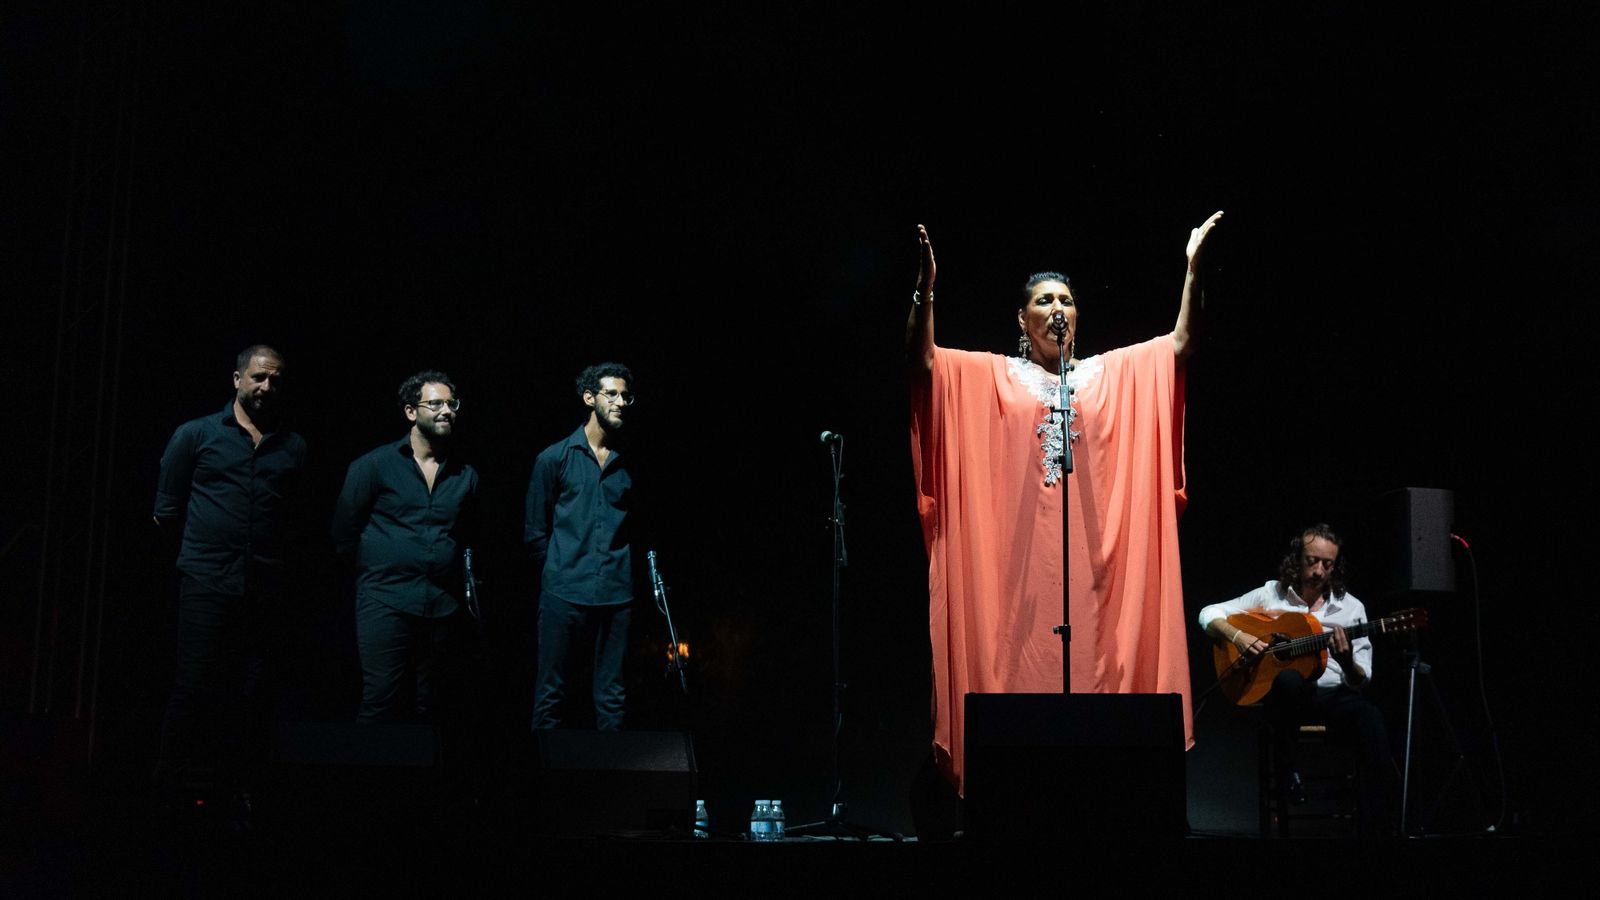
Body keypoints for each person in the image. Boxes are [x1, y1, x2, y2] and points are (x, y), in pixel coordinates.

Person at [907, 212, 1222, 794]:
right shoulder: (995, 376)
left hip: (1096, 576)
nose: (1059, 308)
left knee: (1099, 681)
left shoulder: (1109, 374)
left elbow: (1180, 344)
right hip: (1018, 575)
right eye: (1045, 300)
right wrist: (926, 286)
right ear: (1022, 319)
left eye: (1067, 301)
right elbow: (924, 360)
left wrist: (1193, 272)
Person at [152, 344, 307, 819]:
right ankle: (167, 790)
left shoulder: (293, 447)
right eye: (258, 377)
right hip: (206, 580)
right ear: (238, 379)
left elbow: (296, 518)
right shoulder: (196, 434)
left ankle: (239, 789)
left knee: (253, 690)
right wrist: (202, 558)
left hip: (264, 586)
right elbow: (166, 512)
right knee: (193, 685)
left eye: (275, 379)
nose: (266, 387)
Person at [1197, 524, 1397, 835]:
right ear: (1297, 559)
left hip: (1333, 698)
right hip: (1288, 701)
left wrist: (1346, 662)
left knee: (1370, 717)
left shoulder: (1352, 608)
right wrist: (1238, 636)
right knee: (1289, 680)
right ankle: (1289, 772)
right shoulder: (1271, 594)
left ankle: (1383, 824)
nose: (1318, 571)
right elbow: (1208, 613)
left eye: (1327, 564)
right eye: (1312, 561)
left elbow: (1362, 680)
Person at [332, 371, 480, 724]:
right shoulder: (374, 465)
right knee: (381, 699)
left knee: (433, 705)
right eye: (436, 403)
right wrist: (376, 572)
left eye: (452, 404)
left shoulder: (465, 474)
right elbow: (343, 533)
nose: (447, 411)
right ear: (411, 412)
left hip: (440, 604)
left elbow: (470, 535)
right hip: (385, 599)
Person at [525, 362, 641, 730]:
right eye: (612, 394)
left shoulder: (630, 462)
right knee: (551, 694)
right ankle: (545, 766)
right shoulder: (554, 458)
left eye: (626, 396)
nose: (620, 402)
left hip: (616, 594)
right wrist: (558, 572)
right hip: (564, 593)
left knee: (612, 698)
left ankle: (610, 768)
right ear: (590, 398)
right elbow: (535, 531)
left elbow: (638, 528)